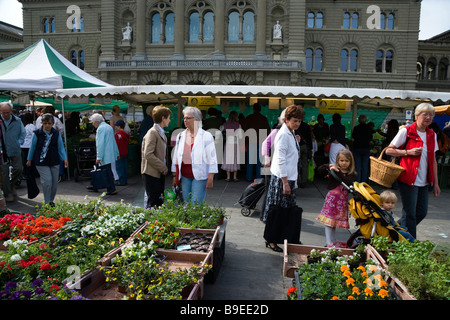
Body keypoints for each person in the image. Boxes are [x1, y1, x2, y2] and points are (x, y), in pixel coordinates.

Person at [385, 103, 440, 239]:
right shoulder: (407, 131)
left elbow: (433, 160)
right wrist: (407, 152)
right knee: (410, 214)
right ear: (416, 116)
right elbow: (388, 150)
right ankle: (411, 245)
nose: (428, 117)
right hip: (408, 178)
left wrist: (436, 183)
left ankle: (394, 230)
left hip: (425, 180)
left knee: (421, 212)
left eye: (431, 115)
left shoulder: (431, 134)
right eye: (425, 114)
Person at [263, 105, 303, 252]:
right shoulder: (283, 134)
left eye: (299, 121)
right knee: (276, 211)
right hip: (282, 178)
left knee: (287, 210)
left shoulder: (291, 133)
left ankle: (286, 238)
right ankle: (271, 240)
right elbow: (280, 160)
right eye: (294, 121)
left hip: (289, 178)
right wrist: (285, 182)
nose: (297, 124)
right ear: (286, 120)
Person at [171, 106, 218, 203]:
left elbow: (212, 158)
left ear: (197, 119)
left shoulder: (206, 136)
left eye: (188, 118)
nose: (185, 120)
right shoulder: (180, 135)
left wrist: (211, 177)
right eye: (184, 118)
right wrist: (174, 175)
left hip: (200, 176)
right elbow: (176, 156)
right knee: (186, 203)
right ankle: (187, 219)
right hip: (184, 176)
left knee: (195, 204)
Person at [317, 149, 357, 247]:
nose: (344, 163)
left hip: (341, 201)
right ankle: (329, 241)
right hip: (332, 199)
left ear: (350, 162)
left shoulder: (352, 174)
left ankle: (332, 240)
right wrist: (329, 166)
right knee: (329, 221)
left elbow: (347, 181)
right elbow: (319, 170)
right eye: (341, 161)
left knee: (334, 222)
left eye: (346, 161)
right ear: (338, 161)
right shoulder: (334, 169)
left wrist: (337, 172)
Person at [26, 114, 68, 206]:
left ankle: (51, 200)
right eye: (45, 123)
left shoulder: (56, 133)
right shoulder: (37, 133)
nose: (47, 125)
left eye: (49, 123)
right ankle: (47, 201)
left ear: (52, 123)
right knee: (47, 181)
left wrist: (65, 159)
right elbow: (32, 147)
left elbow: (61, 147)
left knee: (54, 183)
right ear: (42, 123)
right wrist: (29, 159)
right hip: (41, 161)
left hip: (54, 160)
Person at [141, 106, 172, 209]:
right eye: (168, 117)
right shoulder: (152, 132)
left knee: (158, 201)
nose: (170, 120)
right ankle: (151, 223)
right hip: (151, 173)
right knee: (153, 202)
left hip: (158, 172)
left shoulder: (161, 132)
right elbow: (148, 154)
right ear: (163, 118)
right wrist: (162, 167)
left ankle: (156, 223)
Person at [261, 109, 287, 222]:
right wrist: (267, 158)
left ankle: (270, 215)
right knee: (269, 190)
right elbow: (265, 143)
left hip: (276, 165)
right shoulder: (278, 129)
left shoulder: (288, 131)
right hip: (270, 164)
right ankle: (265, 215)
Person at [0, 102, 26, 203]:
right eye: (3, 113)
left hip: (15, 149)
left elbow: (22, 134)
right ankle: (8, 193)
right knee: (4, 173)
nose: (6, 115)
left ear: (11, 111)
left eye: (7, 112)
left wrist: (18, 142)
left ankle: (11, 186)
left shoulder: (17, 120)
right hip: (2, 151)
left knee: (19, 169)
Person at [88, 113, 119, 195]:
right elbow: (113, 141)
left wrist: (99, 157)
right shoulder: (108, 127)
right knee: (107, 171)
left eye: (93, 122)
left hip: (104, 155)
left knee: (105, 172)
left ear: (96, 122)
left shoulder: (100, 129)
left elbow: (100, 144)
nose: (93, 124)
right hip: (110, 154)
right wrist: (116, 153)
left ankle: (110, 188)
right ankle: (95, 185)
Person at [244, 103, 271, 181]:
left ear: (253, 109)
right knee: (259, 161)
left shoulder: (249, 118)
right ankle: (259, 177)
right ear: (260, 109)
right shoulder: (263, 118)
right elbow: (268, 130)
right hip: (261, 142)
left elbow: (245, 130)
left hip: (251, 141)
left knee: (250, 161)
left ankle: (248, 177)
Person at [221, 111, 242, 182]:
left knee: (228, 158)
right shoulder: (238, 125)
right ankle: (235, 177)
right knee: (235, 158)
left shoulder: (225, 124)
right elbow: (240, 136)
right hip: (235, 143)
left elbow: (220, 131)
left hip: (228, 143)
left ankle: (228, 177)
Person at [351, 114, 372, 183]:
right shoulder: (368, 128)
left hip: (357, 148)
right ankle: (364, 182)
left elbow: (353, 136)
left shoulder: (356, 128)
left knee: (357, 166)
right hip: (366, 148)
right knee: (365, 166)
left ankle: (358, 182)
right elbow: (370, 138)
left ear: (359, 120)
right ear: (365, 120)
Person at [294, 108, 312, 188]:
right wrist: (310, 148)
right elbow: (309, 138)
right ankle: (304, 182)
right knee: (305, 164)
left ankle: (297, 181)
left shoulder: (294, 125)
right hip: (305, 146)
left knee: (296, 164)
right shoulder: (306, 126)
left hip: (296, 146)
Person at [114, 120, 130, 186]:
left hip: (119, 153)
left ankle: (121, 181)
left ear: (119, 126)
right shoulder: (126, 135)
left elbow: (115, 144)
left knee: (119, 168)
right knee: (124, 167)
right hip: (125, 152)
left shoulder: (117, 135)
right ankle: (125, 180)